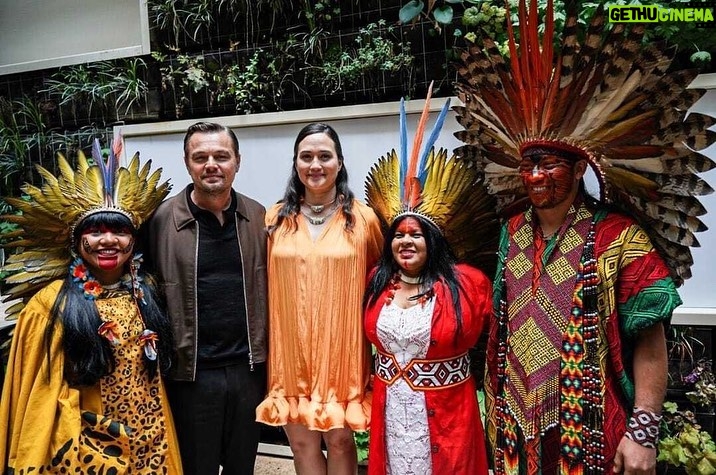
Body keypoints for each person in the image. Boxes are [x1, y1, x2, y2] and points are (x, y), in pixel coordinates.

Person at [453, 1, 715, 473]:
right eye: (527, 165)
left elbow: (650, 340)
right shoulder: (511, 233)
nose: (535, 176)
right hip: (514, 427)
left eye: (548, 164)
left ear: (578, 168)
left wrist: (644, 432)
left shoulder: (619, 236)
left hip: (593, 427)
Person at [0, 141, 181, 473]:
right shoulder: (51, 303)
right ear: (75, 241)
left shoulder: (146, 292)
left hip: (149, 439)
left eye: (120, 231)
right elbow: (38, 395)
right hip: (86, 447)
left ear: (134, 241)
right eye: (96, 231)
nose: (108, 241)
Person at [362, 88, 496, 475]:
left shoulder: (469, 284)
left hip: (449, 415)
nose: (405, 241)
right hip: (390, 412)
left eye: (416, 234)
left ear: (433, 241)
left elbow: (494, 344)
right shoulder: (377, 283)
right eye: (399, 234)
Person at [255, 122, 383, 475]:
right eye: (306, 156)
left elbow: (379, 280)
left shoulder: (363, 220)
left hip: (342, 353)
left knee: (340, 441)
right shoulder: (274, 219)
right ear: (295, 163)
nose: (315, 165)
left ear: (339, 163)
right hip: (290, 352)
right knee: (300, 442)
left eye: (324, 156)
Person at [145, 122, 268, 475]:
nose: (211, 164)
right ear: (188, 163)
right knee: (195, 467)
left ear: (237, 162)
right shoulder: (161, 221)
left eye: (221, 156)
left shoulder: (259, 218)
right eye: (201, 157)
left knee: (241, 466)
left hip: (248, 370)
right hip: (190, 374)